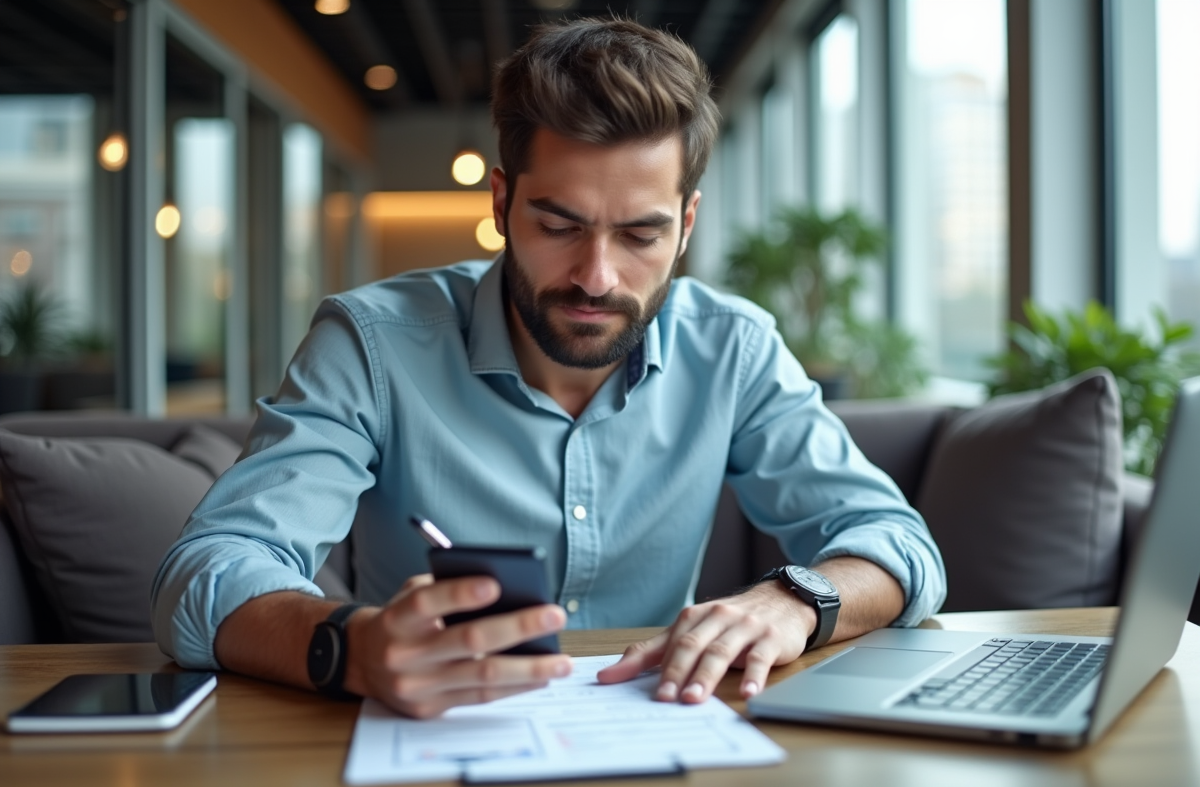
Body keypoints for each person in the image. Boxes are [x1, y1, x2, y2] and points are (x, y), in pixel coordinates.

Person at [151, 17, 945, 720]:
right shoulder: (371, 342)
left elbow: (897, 544)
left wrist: (796, 600)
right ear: (501, 203)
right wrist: (350, 647)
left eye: (640, 235)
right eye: (559, 224)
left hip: (662, 733)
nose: (597, 276)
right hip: (431, 743)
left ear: (687, 222)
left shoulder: (733, 347)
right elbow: (205, 574)